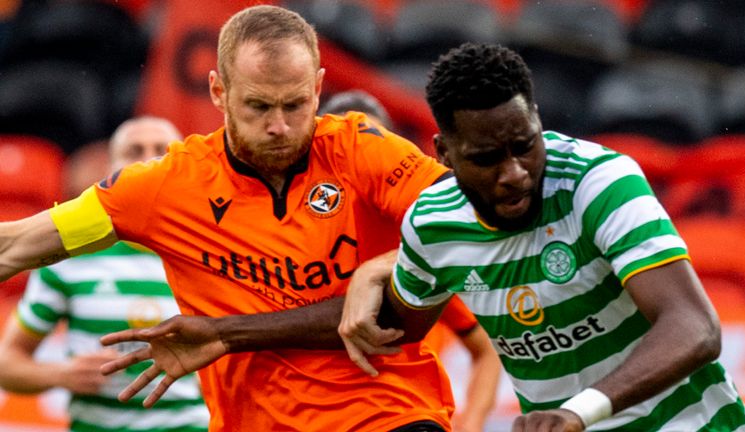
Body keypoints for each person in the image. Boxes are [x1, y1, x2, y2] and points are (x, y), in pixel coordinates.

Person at [0, 5, 455, 431]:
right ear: (218, 90)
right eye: (258, 106)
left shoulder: (361, 148)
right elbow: (14, 246)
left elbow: (464, 215)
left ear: (318, 87)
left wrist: (384, 263)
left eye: (295, 104)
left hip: (392, 413)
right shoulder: (166, 185)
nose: (279, 126)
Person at [338, 43, 745, 431]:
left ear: (537, 119)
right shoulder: (431, 225)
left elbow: (695, 328)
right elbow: (391, 330)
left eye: (524, 145)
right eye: (486, 159)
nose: (514, 173)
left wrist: (577, 412)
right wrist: (371, 269)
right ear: (444, 153)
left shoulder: (599, 182)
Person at [0, 116, 210, 432]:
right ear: (111, 170)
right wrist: (61, 374)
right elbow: (7, 365)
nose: (149, 159)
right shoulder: (69, 259)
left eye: (163, 150)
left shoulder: (213, 255)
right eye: (135, 150)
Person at [322, 89, 501, 432]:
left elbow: (486, 347)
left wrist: (473, 422)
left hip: (406, 412)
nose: (365, 162)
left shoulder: (419, 241)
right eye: (350, 152)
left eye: (374, 147)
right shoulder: (310, 247)